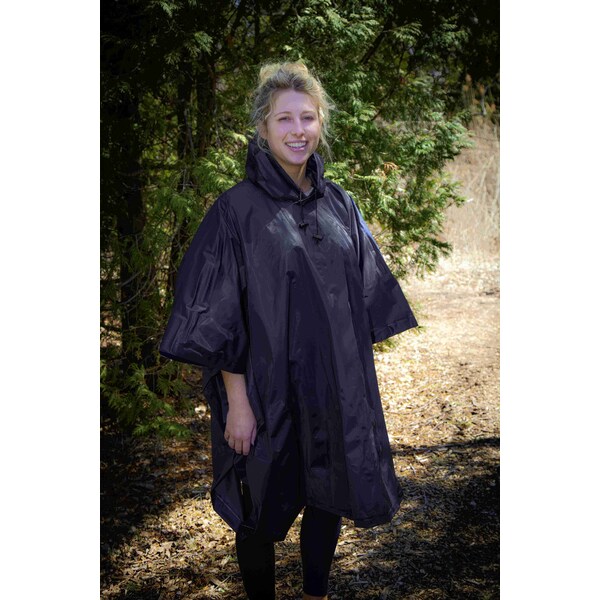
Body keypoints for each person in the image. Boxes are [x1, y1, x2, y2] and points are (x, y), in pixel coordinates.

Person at [160, 61, 418, 600]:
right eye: (284, 119)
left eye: (307, 117)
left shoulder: (339, 204)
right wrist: (238, 403)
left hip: (331, 385)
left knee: (329, 494)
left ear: (320, 123)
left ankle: (315, 594)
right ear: (263, 127)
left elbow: (360, 298)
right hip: (265, 390)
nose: (297, 130)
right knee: (258, 506)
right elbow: (221, 316)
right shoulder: (236, 211)